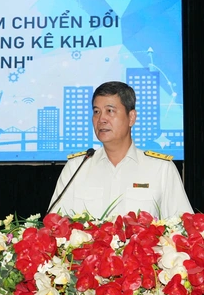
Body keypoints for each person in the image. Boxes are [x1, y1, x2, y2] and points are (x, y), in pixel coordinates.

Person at [48, 81, 192, 220]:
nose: (101, 119)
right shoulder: (76, 167)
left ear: (131, 117)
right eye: (96, 111)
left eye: (110, 111)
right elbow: (54, 225)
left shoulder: (161, 169)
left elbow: (182, 227)